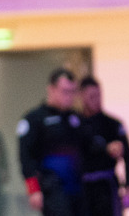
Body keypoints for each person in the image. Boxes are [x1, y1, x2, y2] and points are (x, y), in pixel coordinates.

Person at [17, 68, 122, 215]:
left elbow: (90, 142)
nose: (69, 97)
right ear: (51, 90)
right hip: (53, 189)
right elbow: (26, 157)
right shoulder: (35, 119)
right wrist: (34, 190)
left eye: (72, 92)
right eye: (65, 91)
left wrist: (108, 147)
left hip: (79, 189)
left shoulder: (74, 118)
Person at [79, 77, 129, 215]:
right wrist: (106, 149)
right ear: (82, 96)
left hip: (106, 185)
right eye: (92, 96)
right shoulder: (75, 124)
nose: (96, 100)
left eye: (98, 95)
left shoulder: (113, 124)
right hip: (82, 188)